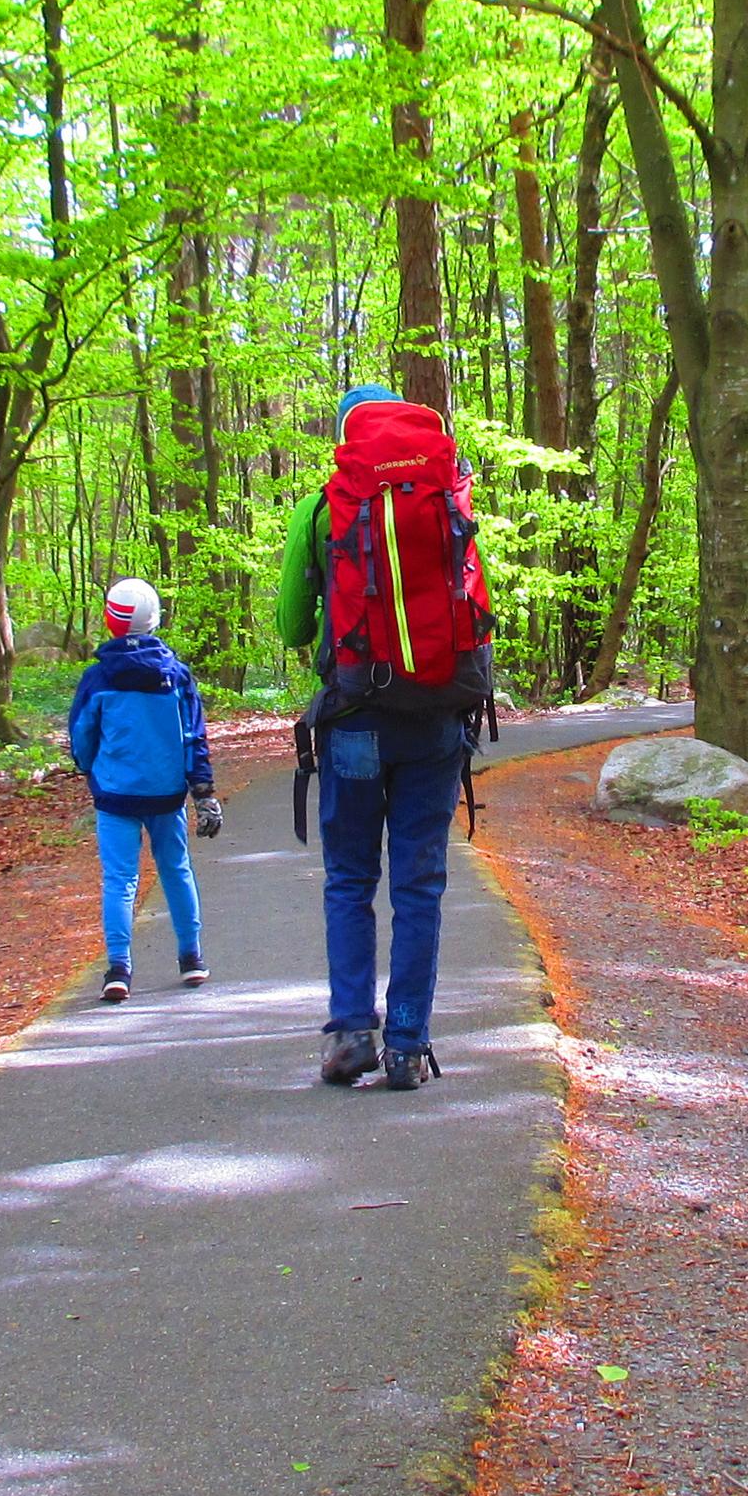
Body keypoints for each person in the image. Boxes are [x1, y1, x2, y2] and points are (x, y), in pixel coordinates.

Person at [274, 381, 498, 1093]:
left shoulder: (320, 509)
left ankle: (349, 1037)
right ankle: (407, 1046)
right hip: (436, 720)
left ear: (346, 438)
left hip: (354, 722)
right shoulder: (447, 497)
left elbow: (293, 628)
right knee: (420, 884)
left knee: (349, 878)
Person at [68, 576, 224, 1003]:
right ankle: (191, 957)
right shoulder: (176, 676)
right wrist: (203, 790)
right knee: (176, 870)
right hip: (166, 793)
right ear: (154, 620)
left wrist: (90, 768)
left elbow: (82, 735)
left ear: (111, 620)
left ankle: (119, 968)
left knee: (120, 879)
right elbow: (195, 737)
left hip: (115, 794)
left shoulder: (98, 678)